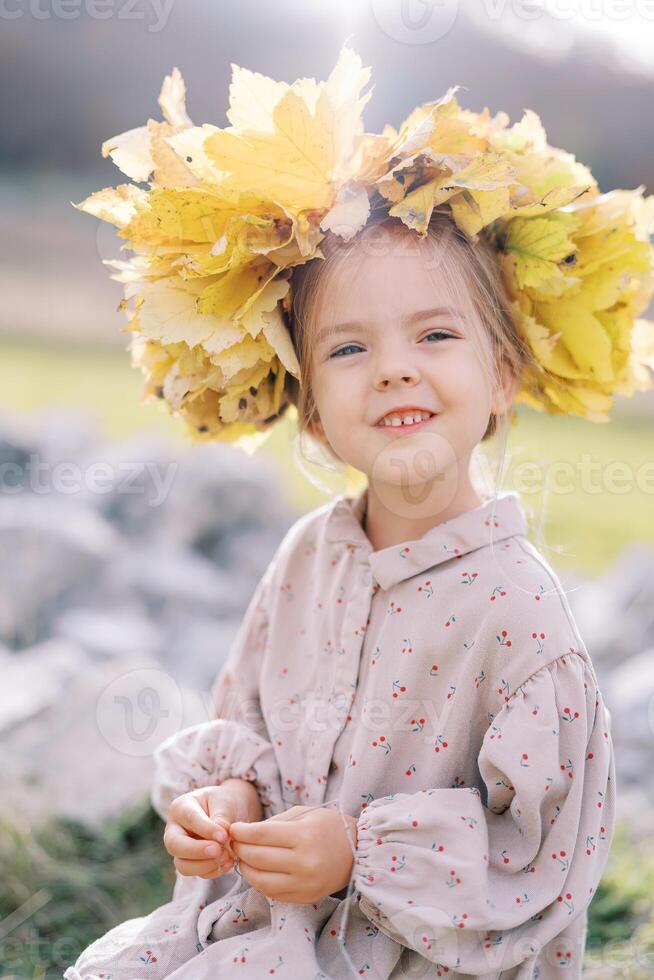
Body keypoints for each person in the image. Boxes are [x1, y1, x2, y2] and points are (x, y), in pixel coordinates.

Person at [65, 45, 654, 979]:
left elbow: (543, 848)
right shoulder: (309, 556)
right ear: (310, 406)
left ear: (502, 374)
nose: (393, 368)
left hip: (423, 957)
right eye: (348, 349)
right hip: (280, 929)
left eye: (435, 334)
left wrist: (360, 853)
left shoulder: (518, 612)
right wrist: (227, 806)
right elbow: (249, 723)